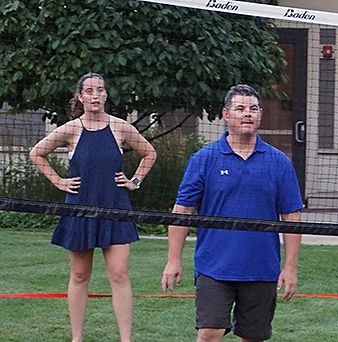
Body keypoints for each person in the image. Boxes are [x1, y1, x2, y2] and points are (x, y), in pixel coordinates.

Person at [161, 84, 304, 342]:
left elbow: (291, 216)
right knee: (209, 333)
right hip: (214, 267)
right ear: (226, 114)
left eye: (253, 109)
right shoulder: (204, 159)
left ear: (260, 115)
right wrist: (173, 260)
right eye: (240, 109)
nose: (247, 114)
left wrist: (290, 267)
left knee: (253, 337)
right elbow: (182, 211)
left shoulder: (279, 162)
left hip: (262, 269)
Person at [30, 72, 157, 342]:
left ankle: (126, 339)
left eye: (99, 90)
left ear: (106, 95)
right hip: (79, 208)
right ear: (80, 97)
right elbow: (36, 153)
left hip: (115, 208)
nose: (95, 95)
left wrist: (135, 181)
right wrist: (59, 182)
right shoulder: (71, 128)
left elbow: (149, 153)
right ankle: (77, 338)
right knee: (79, 274)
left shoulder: (121, 127)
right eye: (89, 91)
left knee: (119, 273)